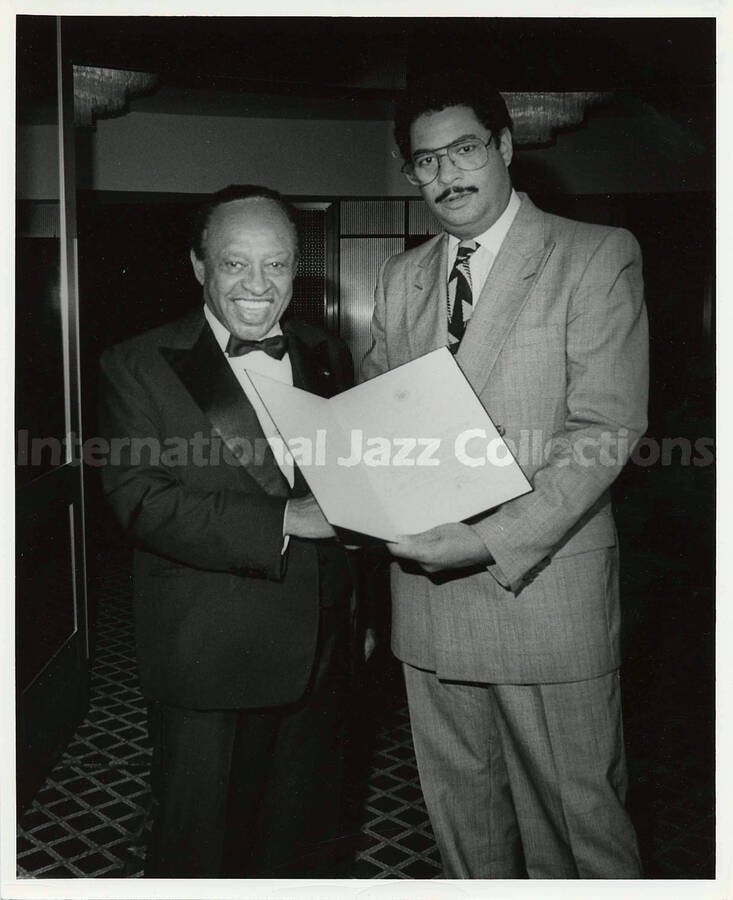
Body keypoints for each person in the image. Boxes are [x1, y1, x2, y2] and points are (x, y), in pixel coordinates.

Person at [361, 71, 648, 879]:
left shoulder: (593, 255)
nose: (446, 175)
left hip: (541, 592)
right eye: (425, 161)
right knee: (464, 830)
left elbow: (606, 429)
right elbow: (388, 420)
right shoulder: (401, 277)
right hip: (425, 600)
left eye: (463, 150)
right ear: (409, 172)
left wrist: (485, 541)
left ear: (504, 147)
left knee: (577, 835)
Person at [99, 184, 355, 877]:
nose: (257, 285)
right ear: (198, 267)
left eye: (275, 265)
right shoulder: (136, 363)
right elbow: (139, 500)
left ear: (296, 269)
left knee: (295, 849)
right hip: (208, 654)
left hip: (317, 649)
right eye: (235, 264)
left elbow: (347, 478)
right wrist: (284, 518)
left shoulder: (324, 351)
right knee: (197, 854)